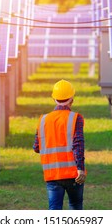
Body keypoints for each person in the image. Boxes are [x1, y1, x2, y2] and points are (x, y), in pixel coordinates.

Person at [33, 79, 86, 210]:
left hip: (52, 174)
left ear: (54, 99)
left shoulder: (43, 119)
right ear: (72, 99)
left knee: (54, 210)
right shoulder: (76, 118)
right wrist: (80, 168)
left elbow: (36, 147)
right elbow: (78, 144)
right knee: (75, 206)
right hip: (73, 174)